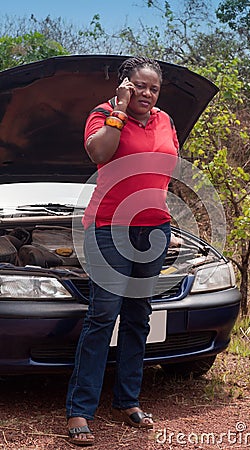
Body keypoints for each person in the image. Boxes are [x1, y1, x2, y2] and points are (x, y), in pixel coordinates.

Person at [66, 56, 179, 446]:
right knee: (103, 315)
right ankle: (80, 409)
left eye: (153, 88)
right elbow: (100, 153)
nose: (147, 94)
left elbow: (168, 168)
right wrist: (117, 111)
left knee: (138, 316)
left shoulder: (165, 120)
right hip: (109, 228)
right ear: (125, 85)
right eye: (140, 86)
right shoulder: (103, 114)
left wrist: (165, 218)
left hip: (154, 232)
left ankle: (127, 399)